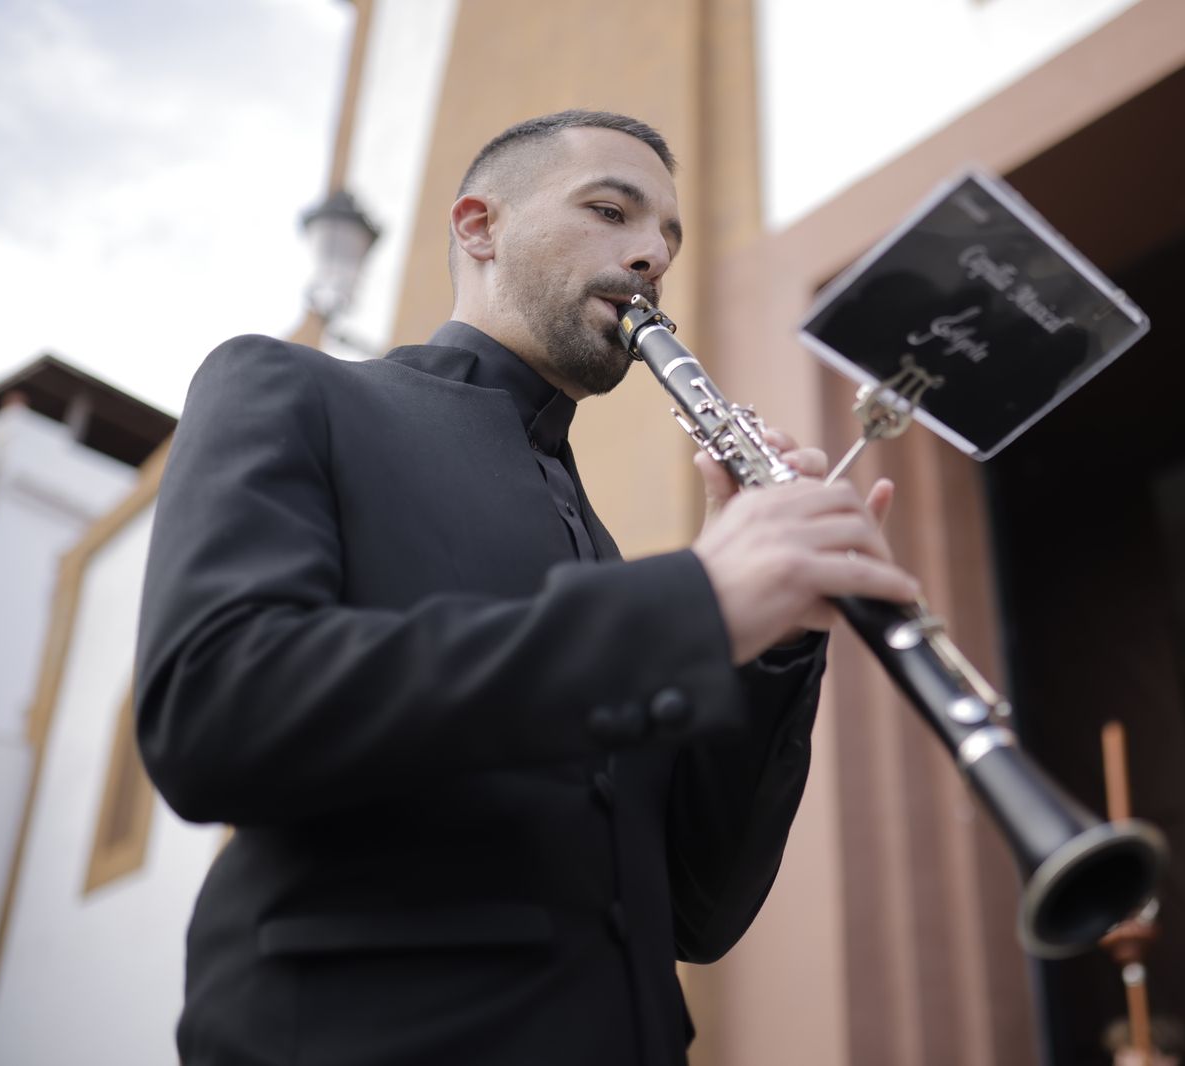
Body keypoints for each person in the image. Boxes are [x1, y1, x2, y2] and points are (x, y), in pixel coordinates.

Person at [134, 109, 918, 1066]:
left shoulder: (598, 546)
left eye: (667, 237)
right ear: (479, 227)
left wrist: (776, 636)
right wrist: (696, 604)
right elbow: (214, 711)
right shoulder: (291, 390)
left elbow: (697, 912)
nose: (649, 256)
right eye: (610, 210)